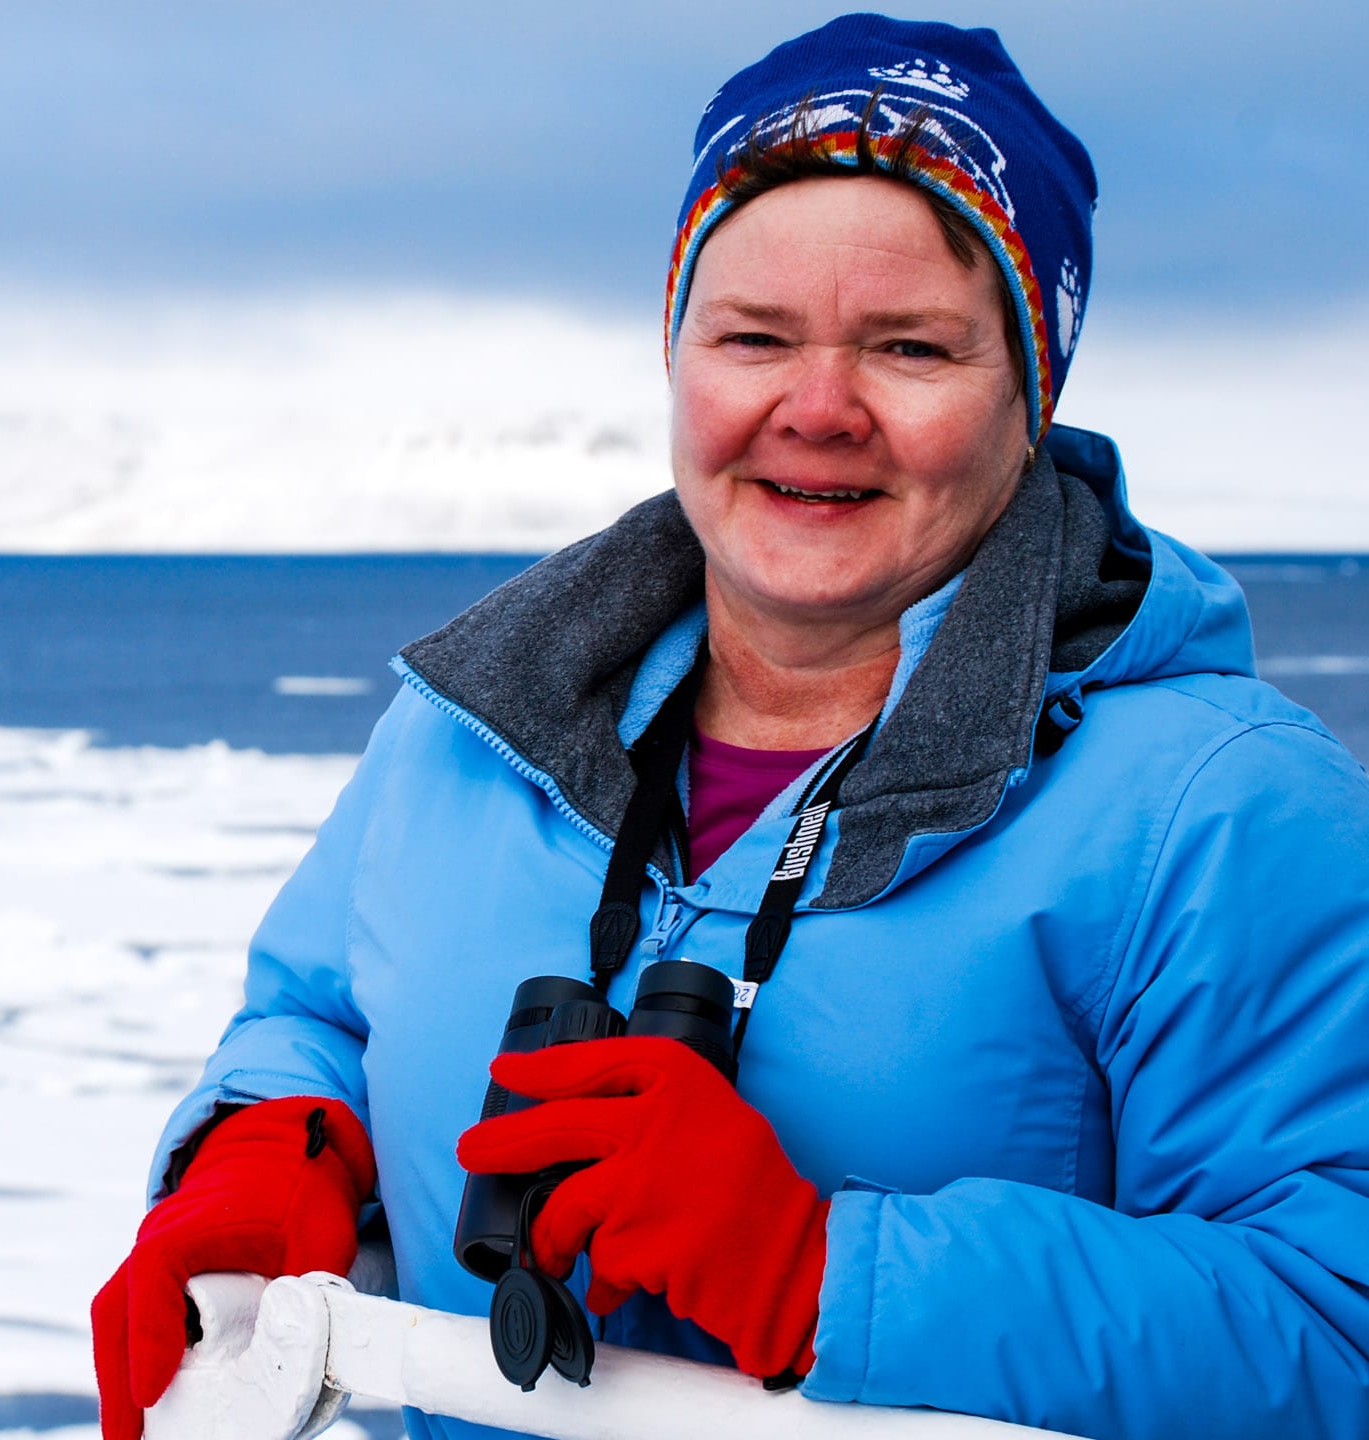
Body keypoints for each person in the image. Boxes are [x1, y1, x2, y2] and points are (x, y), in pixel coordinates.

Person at [90, 14, 1369, 1440]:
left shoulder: (1220, 810)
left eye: (911, 347)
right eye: (753, 337)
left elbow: (1335, 1326)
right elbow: (320, 1014)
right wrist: (279, 1145)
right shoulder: (472, 727)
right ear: (677, 358)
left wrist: (825, 1273)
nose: (817, 410)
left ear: (1031, 395)